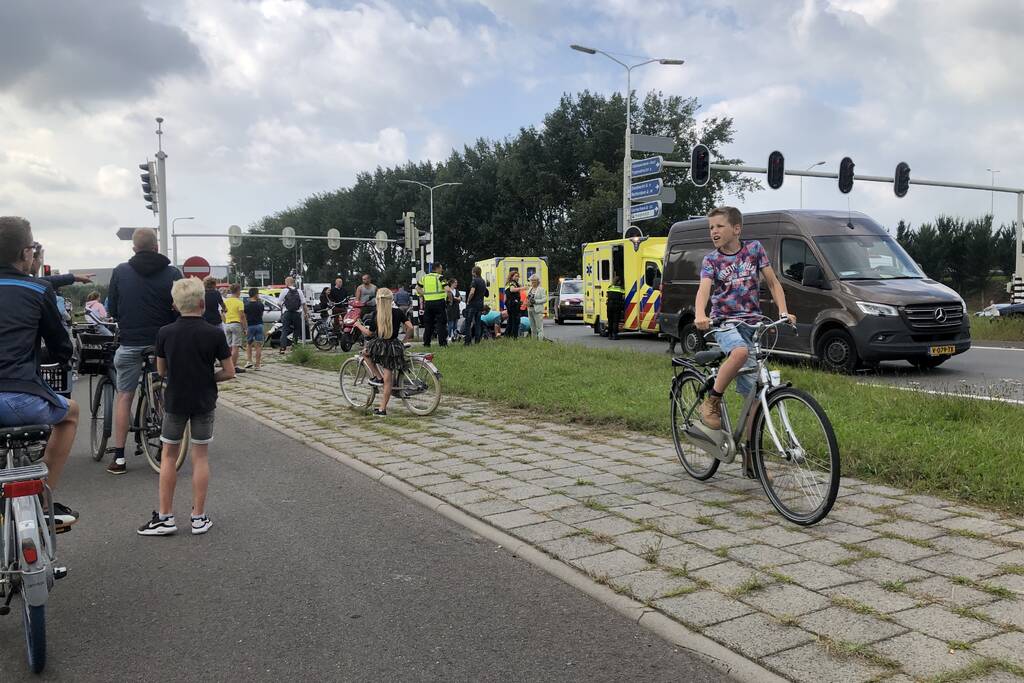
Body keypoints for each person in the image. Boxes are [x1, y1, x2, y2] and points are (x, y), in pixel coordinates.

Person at [137, 277, 235, 536]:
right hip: (204, 400)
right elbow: (229, 371)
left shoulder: (165, 333)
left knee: (169, 456)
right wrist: (208, 377)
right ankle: (198, 517)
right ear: (203, 303)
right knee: (200, 456)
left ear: (175, 305)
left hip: (175, 400)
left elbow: (161, 371)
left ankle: (165, 517)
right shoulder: (214, 333)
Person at [0, 217, 80, 529]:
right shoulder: (37, 288)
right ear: (25, 252)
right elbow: (61, 346)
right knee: (71, 414)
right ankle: (44, 498)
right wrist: (56, 358)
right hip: (21, 398)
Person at [695, 206, 795, 449]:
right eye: (711, 227)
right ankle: (711, 402)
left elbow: (773, 283)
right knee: (739, 352)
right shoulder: (711, 260)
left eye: (720, 226)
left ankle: (751, 458)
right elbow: (704, 290)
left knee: (754, 398)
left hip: (752, 323)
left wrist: (783, 312)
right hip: (724, 322)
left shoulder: (754, 249)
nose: (714, 231)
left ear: (736, 229)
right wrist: (700, 314)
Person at [106, 228, 182, 475]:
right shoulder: (173, 273)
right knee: (165, 392)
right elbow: (181, 307)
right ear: (156, 247)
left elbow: (113, 308)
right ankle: (166, 445)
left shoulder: (120, 271)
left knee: (124, 396)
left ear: (134, 248)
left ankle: (119, 457)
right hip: (163, 344)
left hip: (130, 342)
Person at [353, 288, 413, 417]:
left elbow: (369, 333)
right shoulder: (398, 312)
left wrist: (358, 325)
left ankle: (378, 381)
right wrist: (404, 341)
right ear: (391, 299)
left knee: (365, 353)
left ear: (378, 300)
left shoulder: (377, 314)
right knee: (389, 375)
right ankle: (382, 404)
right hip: (394, 346)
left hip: (381, 345)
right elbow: (410, 327)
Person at [417, 262, 449, 347]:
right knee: (441, 323)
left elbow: (417, 288)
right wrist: (450, 298)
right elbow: (448, 289)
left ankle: (426, 343)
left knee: (428, 324)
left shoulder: (424, 277)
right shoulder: (440, 277)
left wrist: (425, 295)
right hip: (439, 302)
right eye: (441, 268)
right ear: (437, 268)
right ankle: (442, 343)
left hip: (428, 303)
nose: (442, 270)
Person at [277, 276, 309, 354]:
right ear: (293, 283)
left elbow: (278, 303)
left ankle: (282, 348)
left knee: (285, 330)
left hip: (287, 313)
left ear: (287, 282)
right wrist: (306, 313)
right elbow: (304, 304)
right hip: (297, 313)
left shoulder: (284, 290)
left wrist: (283, 307)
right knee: (297, 330)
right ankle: (294, 346)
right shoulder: (299, 291)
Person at [223, 283, 247, 374]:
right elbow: (242, 316)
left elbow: (222, 313)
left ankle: (227, 366)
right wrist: (245, 328)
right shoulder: (239, 302)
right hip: (236, 324)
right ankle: (233, 367)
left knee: (228, 347)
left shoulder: (226, 301)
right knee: (235, 347)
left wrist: (225, 321)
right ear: (238, 291)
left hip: (227, 324)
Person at [463, 266, 486, 345]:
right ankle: (477, 341)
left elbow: (472, 292)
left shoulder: (474, 281)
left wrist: (468, 300)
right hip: (480, 304)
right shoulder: (483, 281)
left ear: (474, 272)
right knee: (477, 323)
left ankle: (467, 341)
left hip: (472, 305)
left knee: (468, 323)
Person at [244, 288, 265, 370]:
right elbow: (261, 314)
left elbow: (245, 317)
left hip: (250, 326)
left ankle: (249, 361)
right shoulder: (260, 304)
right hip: (259, 325)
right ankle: (257, 365)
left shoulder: (246, 305)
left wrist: (245, 328)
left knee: (249, 344)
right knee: (258, 345)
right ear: (256, 294)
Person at [526, 273, 546, 340]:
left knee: (539, 328)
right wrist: (527, 302)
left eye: (535, 280)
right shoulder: (530, 289)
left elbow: (544, 299)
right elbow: (527, 298)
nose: (533, 282)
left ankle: (540, 341)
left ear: (538, 281)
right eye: (532, 280)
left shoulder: (541, 289)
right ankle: (534, 341)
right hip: (530, 309)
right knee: (532, 328)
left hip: (537, 310)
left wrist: (535, 301)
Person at [504, 270, 524, 339]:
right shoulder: (512, 283)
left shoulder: (509, 283)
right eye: (515, 276)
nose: (517, 277)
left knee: (510, 321)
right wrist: (522, 288)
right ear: (511, 276)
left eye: (518, 276)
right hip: (513, 304)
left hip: (510, 304)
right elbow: (512, 290)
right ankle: (514, 337)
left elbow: (505, 296)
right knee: (515, 321)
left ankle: (507, 336)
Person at [606, 276, 625, 340]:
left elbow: (607, 295)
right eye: (620, 281)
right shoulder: (621, 289)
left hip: (609, 306)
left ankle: (610, 335)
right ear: (618, 282)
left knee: (610, 321)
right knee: (615, 321)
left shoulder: (610, 287)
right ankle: (615, 335)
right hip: (616, 306)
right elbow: (623, 297)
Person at [446, 278, 462, 342]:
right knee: (451, 324)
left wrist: (455, 298)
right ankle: (449, 336)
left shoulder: (456, 290)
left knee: (455, 324)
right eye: (455, 282)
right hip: (450, 309)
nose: (456, 284)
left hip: (456, 308)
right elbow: (449, 299)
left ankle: (455, 336)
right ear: (451, 283)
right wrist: (456, 298)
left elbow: (460, 299)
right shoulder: (448, 290)